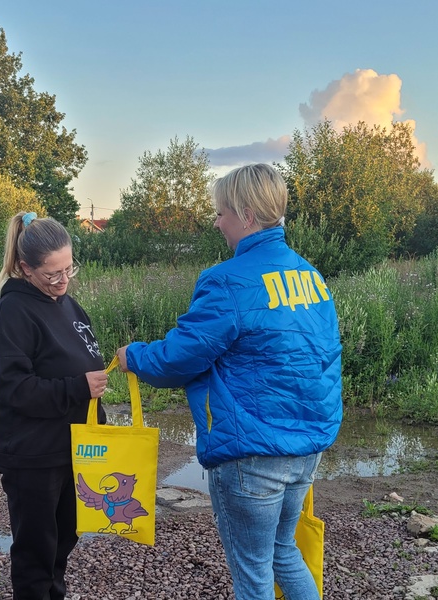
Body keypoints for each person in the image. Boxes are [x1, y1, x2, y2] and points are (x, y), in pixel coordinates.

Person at [116, 164, 342, 600]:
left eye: (220, 212)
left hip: (251, 454)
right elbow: (325, 357)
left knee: (253, 573)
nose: (217, 221)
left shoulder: (227, 281)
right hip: (306, 448)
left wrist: (135, 356)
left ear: (246, 214)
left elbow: (181, 357)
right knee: (282, 550)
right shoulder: (312, 278)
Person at [0, 211, 108, 600]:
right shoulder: (12, 313)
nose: (64, 280)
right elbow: (13, 388)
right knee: (36, 552)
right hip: (32, 454)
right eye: (53, 274)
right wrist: (76, 387)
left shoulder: (68, 306)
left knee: (62, 542)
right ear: (25, 268)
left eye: (69, 269)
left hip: (71, 448)